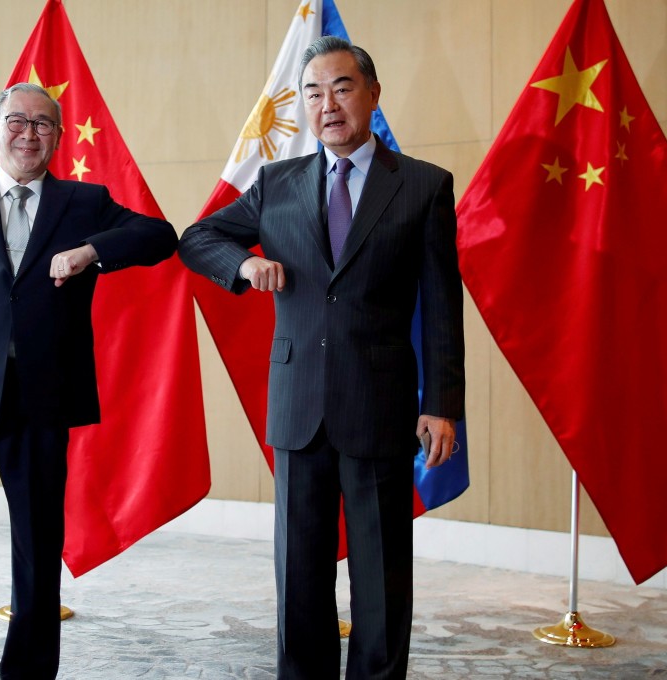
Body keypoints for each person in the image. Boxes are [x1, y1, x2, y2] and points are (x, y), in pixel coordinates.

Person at [178, 37, 465, 679]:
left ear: (371, 94)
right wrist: (246, 262)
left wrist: (442, 405)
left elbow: (443, 303)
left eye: (340, 87)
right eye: (312, 92)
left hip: (380, 405)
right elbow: (197, 239)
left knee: (381, 574)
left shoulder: (422, 186)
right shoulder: (277, 183)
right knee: (299, 572)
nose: (326, 104)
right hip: (298, 403)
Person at [0, 82, 177, 680]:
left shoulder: (83, 202)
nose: (30, 133)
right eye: (17, 121)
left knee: (39, 553)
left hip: (42, 402)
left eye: (44, 125)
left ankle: (28, 671)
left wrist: (90, 252)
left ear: (59, 140)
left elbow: (160, 235)